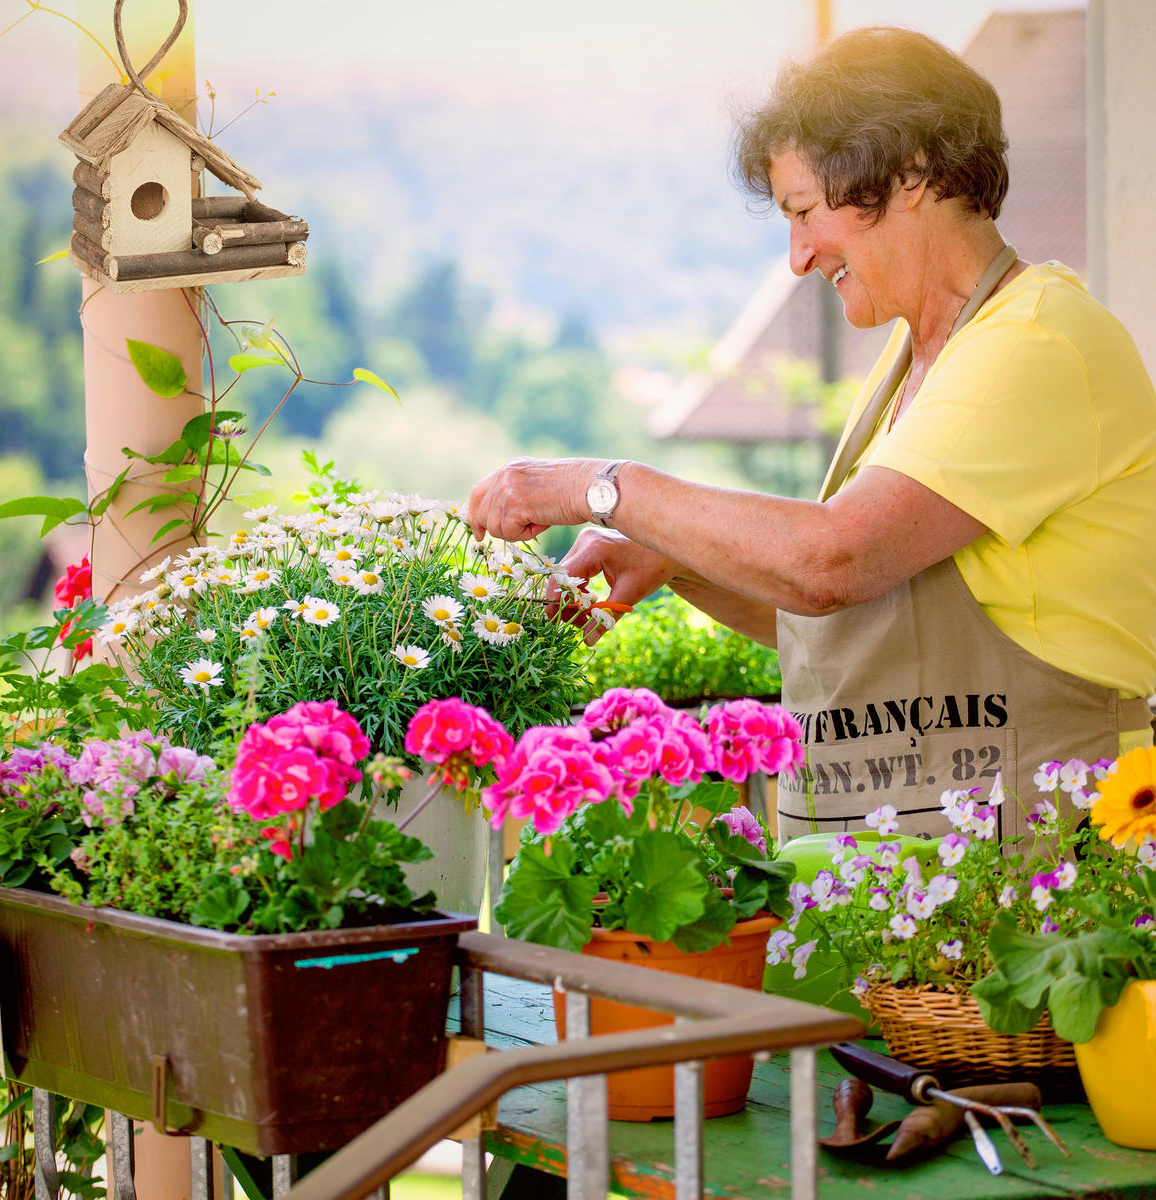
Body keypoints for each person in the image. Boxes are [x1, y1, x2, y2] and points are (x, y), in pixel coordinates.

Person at [467, 26, 1156, 841]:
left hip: (1043, 899)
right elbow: (853, 628)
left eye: (803, 212)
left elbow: (833, 560)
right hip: (912, 903)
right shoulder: (918, 360)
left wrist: (600, 489)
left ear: (907, 175)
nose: (797, 257)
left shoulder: (1036, 343)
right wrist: (668, 555)